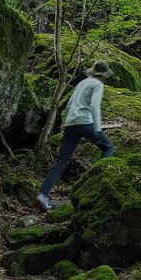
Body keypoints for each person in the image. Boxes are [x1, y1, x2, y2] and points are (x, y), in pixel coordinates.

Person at [35, 60, 115, 211]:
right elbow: (94, 106)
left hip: (70, 124)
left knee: (62, 161)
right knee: (108, 147)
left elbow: (69, 104)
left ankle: (42, 194)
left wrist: (66, 124)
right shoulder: (98, 85)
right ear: (103, 75)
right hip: (85, 123)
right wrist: (97, 129)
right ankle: (94, 185)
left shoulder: (82, 83)